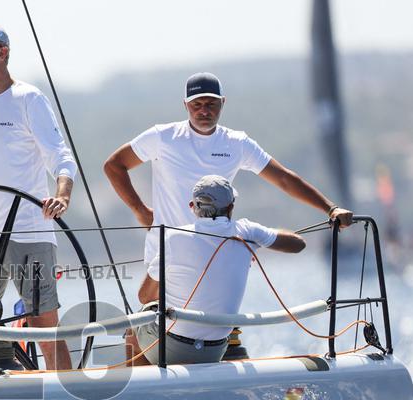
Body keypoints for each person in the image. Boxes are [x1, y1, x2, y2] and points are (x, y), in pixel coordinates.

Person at [104, 71, 353, 269]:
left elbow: (284, 179)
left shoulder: (237, 142)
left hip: (216, 251)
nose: (204, 110)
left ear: (223, 103)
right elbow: (114, 165)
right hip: (166, 251)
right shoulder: (162, 136)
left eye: (211, 104)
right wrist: (139, 210)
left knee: (214, 329)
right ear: (185, 105)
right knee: (149, 322)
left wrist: (330, 208)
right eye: (196, 104)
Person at [0, 23, 77, 371]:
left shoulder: (28, 98)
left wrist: (61, 195)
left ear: (2, 52)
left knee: (43, 323)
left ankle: (66, 394)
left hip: (28, 230)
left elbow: (61, 157)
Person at [132, 175, 305, 366]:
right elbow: (298, 244)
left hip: (172, 350)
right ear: (231, 207)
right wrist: (256, 241)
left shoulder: (173, 237)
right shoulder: (247, 232)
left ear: (192, 206)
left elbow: (144, 296)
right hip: (215, 350)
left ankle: (144, 391)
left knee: (136, 323)